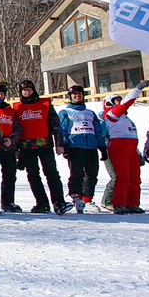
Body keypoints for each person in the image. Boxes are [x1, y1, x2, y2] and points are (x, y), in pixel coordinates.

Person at [14, 79, 70, 215]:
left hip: (45, 144)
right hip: (26, 147)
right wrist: (16, 149)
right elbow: (14, 129)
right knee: (33, 175)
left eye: (29, 90)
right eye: (24, 90)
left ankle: (59, 202)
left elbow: (56, 125)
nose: (27, 92)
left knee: (52, 174)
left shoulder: (45, 103)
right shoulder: (16, 107)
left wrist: (59, 144)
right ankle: (42, 203)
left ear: (34, 90)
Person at [103, 81, 149, 214]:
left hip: (131, 149)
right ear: (109, 103)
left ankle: (132, 203)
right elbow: (126, 104)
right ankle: (119, 203)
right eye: (116, 101)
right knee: (123, 177)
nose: (119, 103)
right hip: (118, 148)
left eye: (120, 100)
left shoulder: (126, 119)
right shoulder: (110, 115)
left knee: (135, 178)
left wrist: (138, 153)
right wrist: (137, 90)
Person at [58, 85, 106, 214]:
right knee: (76, 174)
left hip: (91, 146)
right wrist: (64, 144)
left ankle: (87, 199)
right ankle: (76, 196)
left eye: (79, 94)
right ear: (70, 96)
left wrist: (102, 146)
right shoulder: (65, 112)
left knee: (91, 174)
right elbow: (62, 129)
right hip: (75, 146)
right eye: (74, 94)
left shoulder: (90, 113)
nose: (77, 96)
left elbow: (97, 130)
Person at [0, 84, 23, 212]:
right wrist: (0, 139)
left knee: (9, 176)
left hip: (9, 149)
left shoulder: (10, 110)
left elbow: (18, 129)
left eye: (2, 94)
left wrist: (12, 140)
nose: (0, 96)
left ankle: (8, 202)